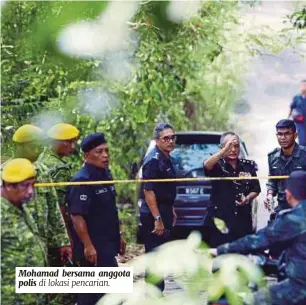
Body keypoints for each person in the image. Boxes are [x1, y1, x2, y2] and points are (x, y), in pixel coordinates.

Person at [212, 170, 306, 305]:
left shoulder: (294, 218)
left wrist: (219, 250)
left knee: (247, 301)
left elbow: (258, 240)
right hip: (294, 273)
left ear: (288, 194)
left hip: (299, 287)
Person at [66, 133, 126, 305]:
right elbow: (77, 216)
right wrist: (88, 245)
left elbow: (111, 210)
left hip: (107, 245)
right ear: (86, 155)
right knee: (94, 295)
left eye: (107, 151)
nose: (105, 155)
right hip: (92, 249)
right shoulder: (82, 180)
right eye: (99, 152)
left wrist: (119, 235)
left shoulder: (106, 175)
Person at [12, 124, 71, 266]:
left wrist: (63, 241)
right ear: (19, 146)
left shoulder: (42, 171)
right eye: (33, 146)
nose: (38, 151)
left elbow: (54, 208)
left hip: (44, 244)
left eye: (40, 146)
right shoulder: (6, 173)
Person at [1, 158, 47, 305]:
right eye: (25, 186)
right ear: (8, 186)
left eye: (33, 185)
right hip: (11, 297)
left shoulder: (21, 207)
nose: (31, 192)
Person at [138, 122, 177, 291]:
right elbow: (148, 191)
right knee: (154, 258)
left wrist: (171, 209)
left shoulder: (166, 158)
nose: (170, 141)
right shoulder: (153, 160)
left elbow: (164, 189)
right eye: (166, 138)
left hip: (164, 210)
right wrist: (158, 218)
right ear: (157, 140)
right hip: (154, 215)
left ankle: (157, 294)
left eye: (173, 137)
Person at [204, 132, 261, 247]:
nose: (233, 149)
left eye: (236, 146)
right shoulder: (217, 164)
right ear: (222, 148)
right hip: (221, 220)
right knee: (220, 255)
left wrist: (247, 198)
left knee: (242, 255)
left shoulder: (247, 166)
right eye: (230, 146)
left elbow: (256, 188)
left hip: (242, 220)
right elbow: (206, 165)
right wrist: (223, 151)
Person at [39, 123, 79, 244]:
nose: (72, 146)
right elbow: (60, 205)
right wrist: (65, 238)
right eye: (68, 142)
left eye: (74, 142)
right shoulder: (60, 168)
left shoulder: (41, 157)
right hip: (54, 229)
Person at [265, 119, 306, 217]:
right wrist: (269, 194)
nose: (282, 138)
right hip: (282, 208)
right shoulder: (273, 157)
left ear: (295, 135)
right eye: (279, 134)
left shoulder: (304, 155)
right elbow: (272, 180)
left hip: (302, 208)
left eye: (287, 134)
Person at [288, 80, 306, 146]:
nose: (304, 87)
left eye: (305, 85)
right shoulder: (297, 98)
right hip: (300, 122)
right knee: (302, 140)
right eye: (303, 85)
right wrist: (288, 119)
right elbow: (291, 108)